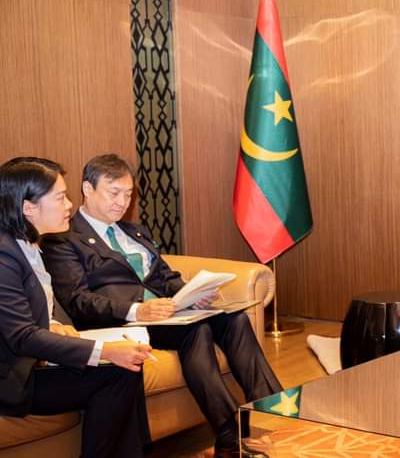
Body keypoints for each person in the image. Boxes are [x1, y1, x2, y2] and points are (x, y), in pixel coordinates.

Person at [42, 154, 282, 457]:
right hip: (122, 322)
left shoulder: (134, 232)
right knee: (196, 331)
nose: (122, 202)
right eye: (114, 193)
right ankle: (229, 431)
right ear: (87, 189)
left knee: (235, 320)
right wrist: (137, 310)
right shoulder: (63, 239)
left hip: (166, 314)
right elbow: (79, 301)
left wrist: (191, 293)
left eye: (128, 194)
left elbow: (165, 277)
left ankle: (273, 412)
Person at [0, 157, 153, 457]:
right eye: (60, 198)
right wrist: (105, 351)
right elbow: (22, 336)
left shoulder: (28, 245)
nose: (70, 205)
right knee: (119, 371)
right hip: (12, 378)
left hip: (31, 363)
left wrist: (55, 326)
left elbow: (24, 313)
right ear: (28, 208)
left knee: (126, 368)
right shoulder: (4, 258)